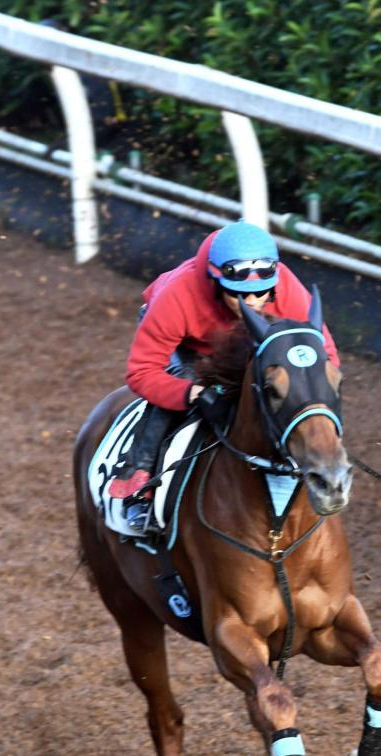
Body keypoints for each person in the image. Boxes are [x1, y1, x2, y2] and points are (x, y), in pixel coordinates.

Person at [108, 219, 340, 530]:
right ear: (216, 282)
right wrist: (192, 393)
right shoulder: (178, 296)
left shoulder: (286, 288)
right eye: (240, 295)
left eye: (262, 293)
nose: (253, 303)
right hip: (190, 349)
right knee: (170, 402)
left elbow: (326, 355)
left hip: (250, 342)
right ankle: (139, 483)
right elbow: (141, 372)